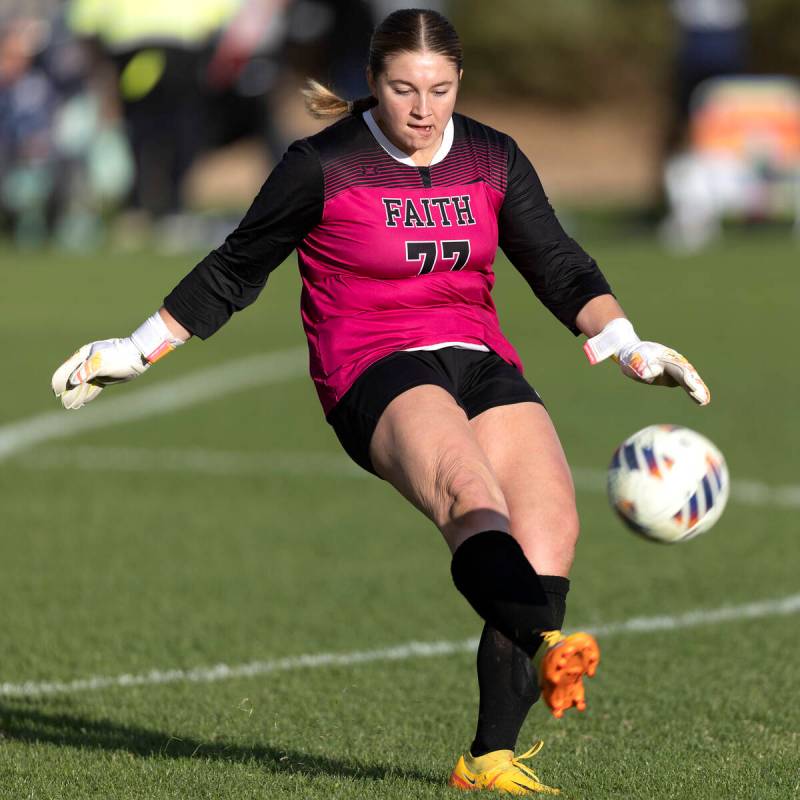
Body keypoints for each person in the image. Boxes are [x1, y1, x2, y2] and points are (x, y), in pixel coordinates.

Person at [51, 9, 711, 795]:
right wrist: (133, 350)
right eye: (404, 89)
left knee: (550, 534)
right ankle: (546, 647)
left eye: (439, 89)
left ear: (459, 82)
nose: (423, 109)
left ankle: (489, 758)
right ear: (373, 83)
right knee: (470, 494)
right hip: (371, 363)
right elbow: (235, 268)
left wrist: (629, 345)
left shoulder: (492, 158)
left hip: (478, 356)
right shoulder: (322, 164)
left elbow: (559, 263)